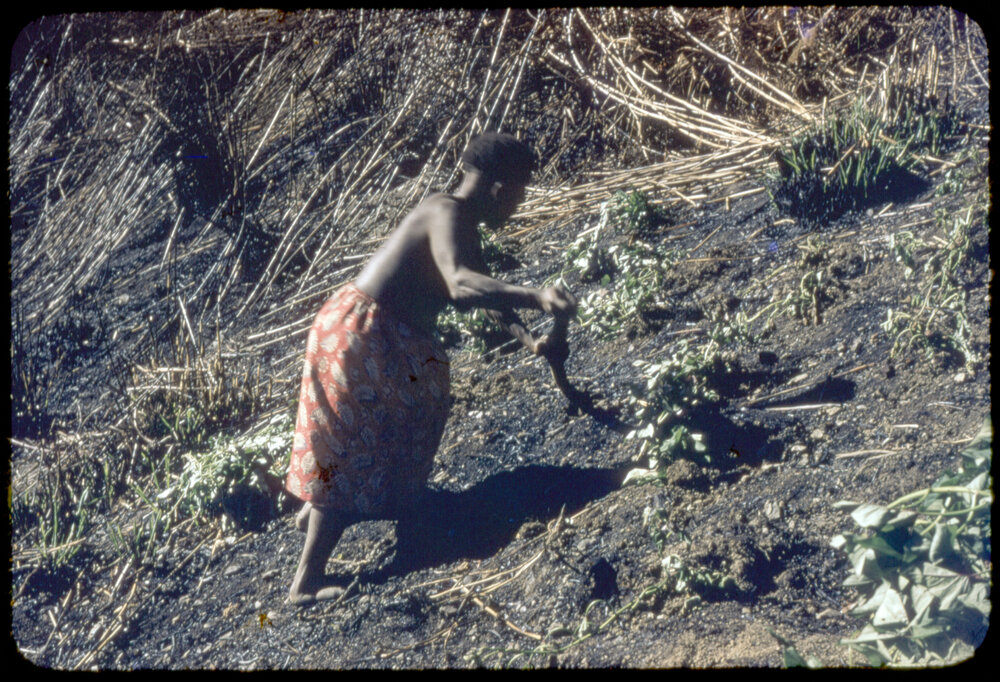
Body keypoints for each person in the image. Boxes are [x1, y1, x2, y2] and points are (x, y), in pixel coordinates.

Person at [285, 132, 577, 606]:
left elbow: (486, 297)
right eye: (520, 194)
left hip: (370, 331)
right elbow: (460, 283)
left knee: (402, 414)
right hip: (365, 333)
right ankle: (306, 579)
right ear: (500, 189)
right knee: (358, 440)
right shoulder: (446, 211)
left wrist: (531, 339)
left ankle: (323, 510)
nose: (518, 205)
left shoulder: (461, 222)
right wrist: (537, 296)